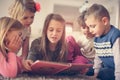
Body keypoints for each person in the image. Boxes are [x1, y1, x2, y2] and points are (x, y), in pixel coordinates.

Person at [84, 4, 120, 80]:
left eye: (93, 26)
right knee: (88, 68)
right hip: (108, 67)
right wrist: (95, 74)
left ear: (104, 21)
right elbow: (98, 57)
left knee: (104, 73)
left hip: (116, 69)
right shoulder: (97, 38)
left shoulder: (115, 37)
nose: (90, 30)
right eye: (89, 27)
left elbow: (118, 62)